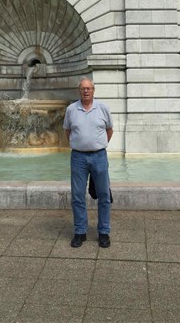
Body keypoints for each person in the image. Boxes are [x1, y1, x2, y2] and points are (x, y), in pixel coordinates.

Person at [63, 78, 113, 249]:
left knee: (104, 196)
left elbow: (109, 130)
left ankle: (104, 232)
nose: (86, 91)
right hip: (78, 158)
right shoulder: (71, 109)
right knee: (77, 196)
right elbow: (67, 131)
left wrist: (97, 145)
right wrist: (80, 144)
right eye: (83, 88)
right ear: (79, 91)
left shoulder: (103, 108)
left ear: (93, 90)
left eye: (88, 88)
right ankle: (80, 232)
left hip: (99, 156)